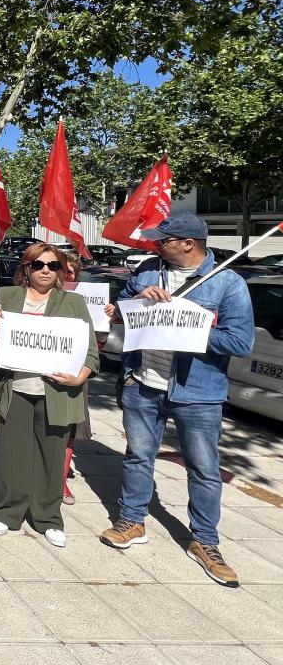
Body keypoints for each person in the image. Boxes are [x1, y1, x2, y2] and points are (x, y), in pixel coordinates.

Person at [99, 213, 254, 586]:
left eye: (163, 240)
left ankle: (205, 540)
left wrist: (187, 323)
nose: (156, 245)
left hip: (197, 393)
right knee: (138, 455)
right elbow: (119, 311)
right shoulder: (149, 272)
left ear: (188, 243)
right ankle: (132, 520)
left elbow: (240, 342)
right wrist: (136, 300)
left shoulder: (227, 283)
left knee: (202, 467)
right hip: (143, 383)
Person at [0, 243, 98, 549]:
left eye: (53, 265)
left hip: (57, 392)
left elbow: (91, 353)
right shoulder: (6, 297)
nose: (46, 270)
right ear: (26, 268)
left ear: (60, 271)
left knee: (51, 456)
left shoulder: (72, 302)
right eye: (39, 265)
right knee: (12, 455)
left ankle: (48, 517)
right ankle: (8, 512)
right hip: (16, 389)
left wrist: (80, 377)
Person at [61, 251, 97, 506]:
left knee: (70, 429)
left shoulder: (88, 301)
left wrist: (108, 315)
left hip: (75, 373)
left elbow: (98, 346)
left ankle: (60, 480)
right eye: (61, 268)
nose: (66, 274)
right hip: (43, 371)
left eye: (71, 271)